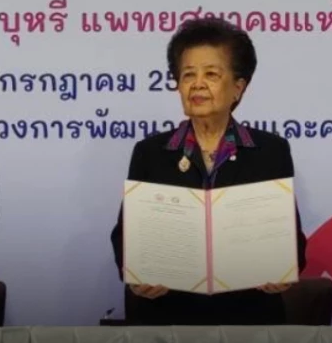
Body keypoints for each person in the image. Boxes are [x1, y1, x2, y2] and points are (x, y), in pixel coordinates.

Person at [111, 17, 307, 325]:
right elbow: (125, 236)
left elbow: (292, 240)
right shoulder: (150, 152)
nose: (197, 84)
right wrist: (135, 274)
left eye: (211, 74)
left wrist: (283, 269)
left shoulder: (270, 151)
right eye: (188, 74)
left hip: (248, 319)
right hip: (168, 318)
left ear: (238, 88)